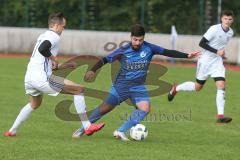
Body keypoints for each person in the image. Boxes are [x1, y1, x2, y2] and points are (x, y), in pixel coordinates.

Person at [72, 24, 199, 141]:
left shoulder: (149, 48)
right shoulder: (123, 50)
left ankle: (120, 131)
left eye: (140, 40)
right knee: (104, 109)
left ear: (143, 39)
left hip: (138, 87)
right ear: (131, 37)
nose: (137, 42)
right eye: (135, 40)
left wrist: (187, 55)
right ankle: (82, 129)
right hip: (120, 87)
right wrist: (93, 70)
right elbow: (105, 59)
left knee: (145, 108)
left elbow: (167, 52)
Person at [4, 12, 104, 137]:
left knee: (34, 104)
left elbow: (45, 61)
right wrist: (54, 58)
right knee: (79, 89)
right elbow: (43, 49)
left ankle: (11, 131)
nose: (63, 29)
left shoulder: (44, 35)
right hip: (41, 78)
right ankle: (88, 127)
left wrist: (63, 65)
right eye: (63, 26)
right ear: (57, 25)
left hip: (30, 77)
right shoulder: (54, 36)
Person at [167, 10, 234, 123]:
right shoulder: (214, 29)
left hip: (217, 62)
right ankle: (176, 89)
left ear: (233, 20)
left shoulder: (231, 32)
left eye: (230, 19)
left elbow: (220, 46)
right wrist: (216, 51)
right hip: (205, 61)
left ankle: (220, 116)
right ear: (221, 19)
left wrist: (222, 54)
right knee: (198, 87)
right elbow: (201, 43)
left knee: (221, 85)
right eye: (225, 19)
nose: (227, 21)